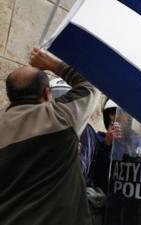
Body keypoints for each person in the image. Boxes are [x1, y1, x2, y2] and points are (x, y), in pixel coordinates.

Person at [0, 48, 99, 225]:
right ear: (47, 94)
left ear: (10, 96)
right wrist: (53, 64)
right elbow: (91, 85)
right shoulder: (60, 117)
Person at [50, 78, 97, 185]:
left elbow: (81, 168)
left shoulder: (85, 129)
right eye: (56, 97)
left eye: (65, 98)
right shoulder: (46, 124)